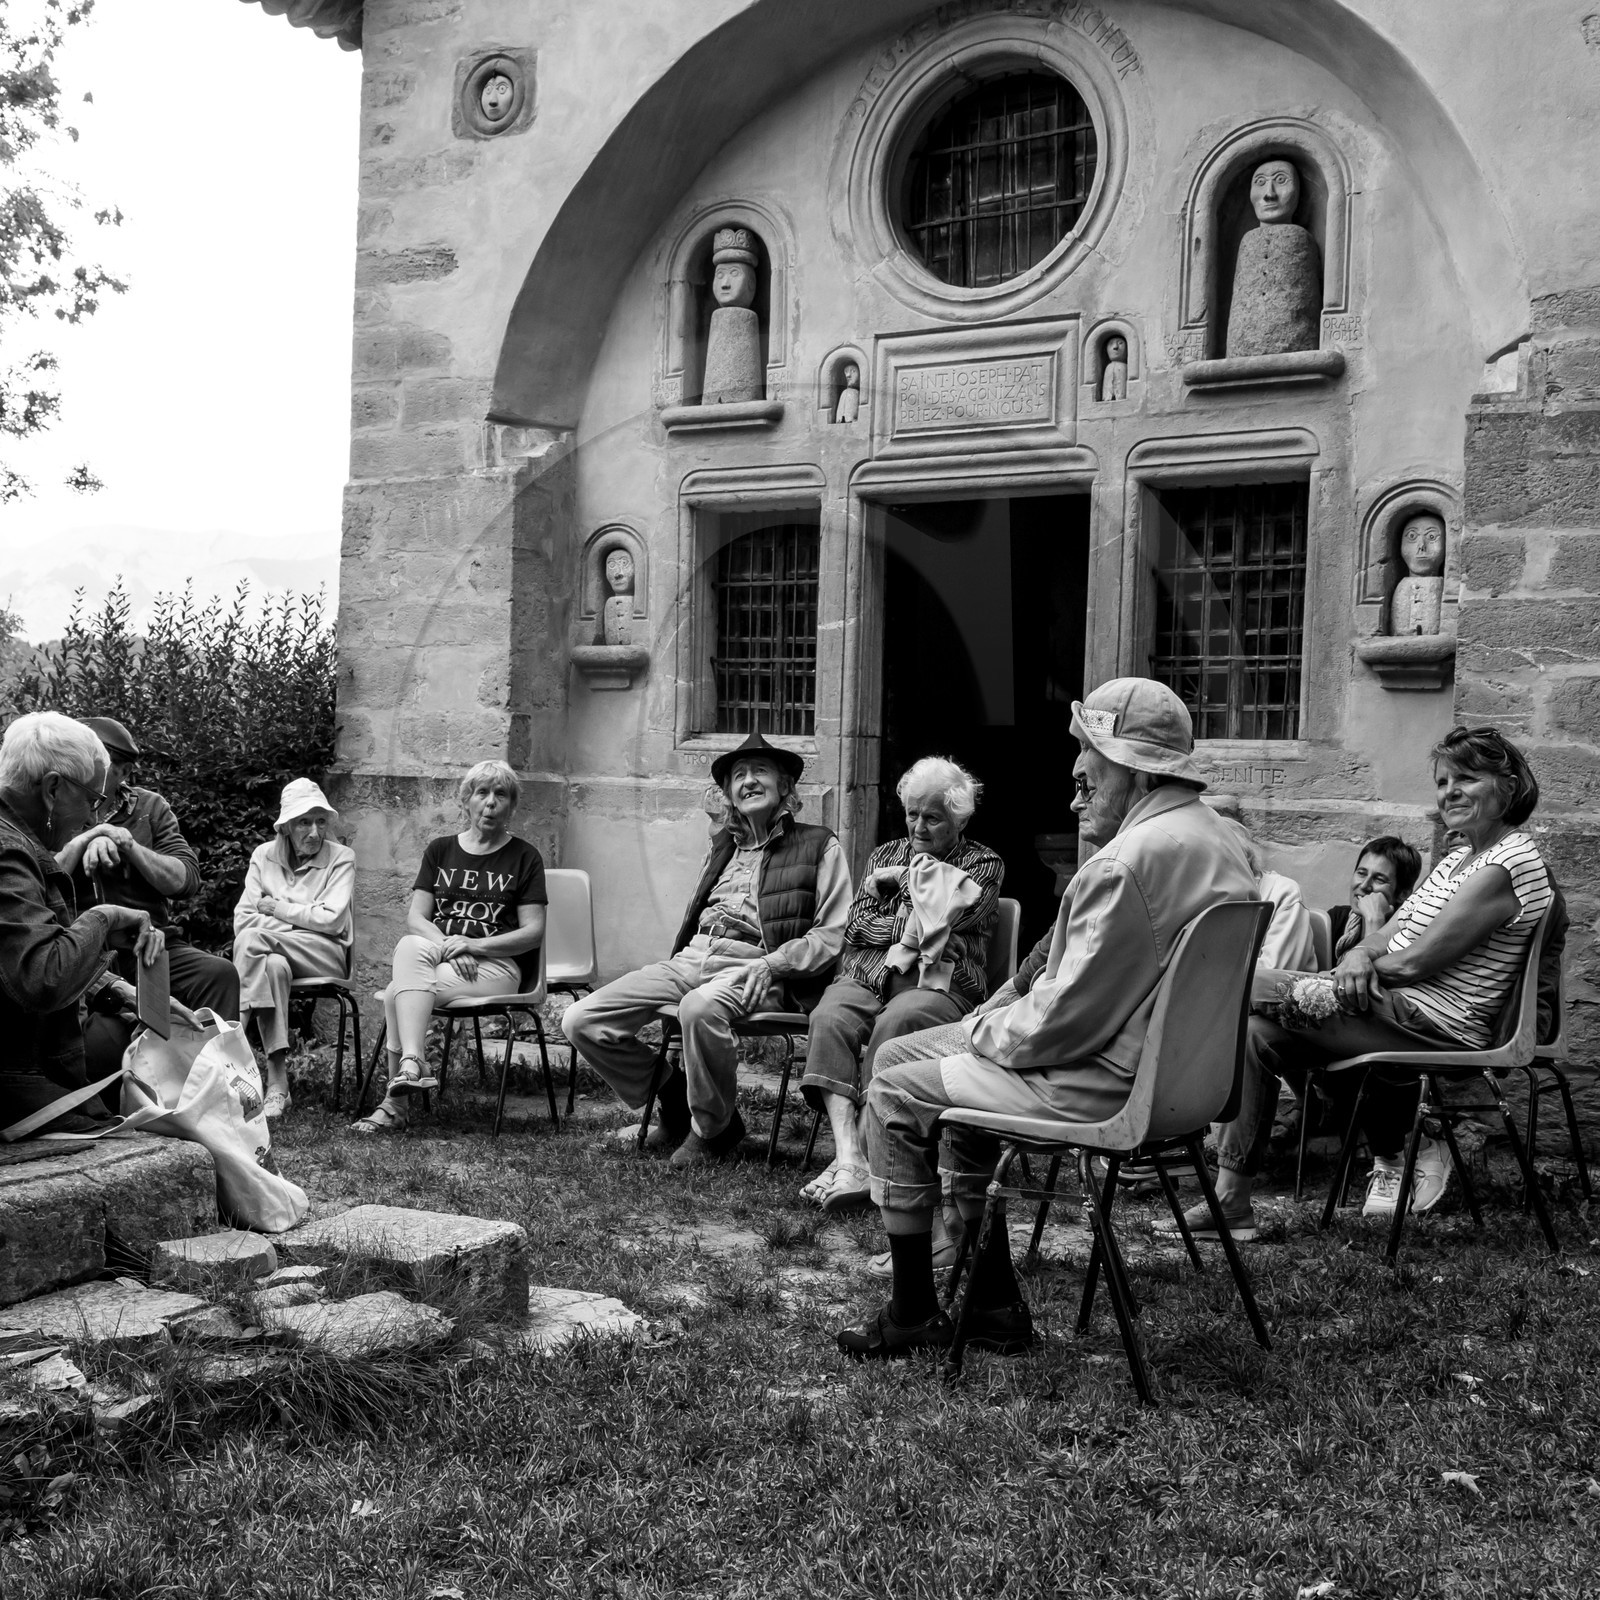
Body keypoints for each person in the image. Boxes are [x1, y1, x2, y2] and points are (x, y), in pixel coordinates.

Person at [835, 678, 1257, 1360]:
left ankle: (913, 1311)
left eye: (1087, 753)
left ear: (1133, 764)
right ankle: (992, 1304)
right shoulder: (1225, 840)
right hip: (1182, 1082)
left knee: (893, 1082)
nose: (1074, 774)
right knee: (912, 1062)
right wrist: (995, 1018)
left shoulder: (1126, 862)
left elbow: (1057, 1023)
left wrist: (980, 1029)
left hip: (1099, 1080)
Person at [1190, 725, 1552, 1237]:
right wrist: (1359, 955)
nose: (1449, 791)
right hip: (1392, 1005)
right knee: (1253, 1036)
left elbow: (1413, 962)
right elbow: (1390, 936)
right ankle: (1231, 1201)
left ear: (1509, 788)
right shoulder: (1455, 860)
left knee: (1241, 984)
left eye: (1467, 778)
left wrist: (1351, 970)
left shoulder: (1508, 861)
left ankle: (1157, 1110)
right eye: (1443, 780)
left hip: (1436, 1021)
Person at [563, 730, 851, 1167]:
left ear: (786, 787)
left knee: (699, 1008)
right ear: (729, 794)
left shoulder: (819, 844)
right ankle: (676, 1103)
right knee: (582, 1018)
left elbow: (833, 932)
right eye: (739, 776)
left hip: (758, 965)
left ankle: (713, 1129)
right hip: (693, 958)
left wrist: (773, 965)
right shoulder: (721, 847)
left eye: (760, 772)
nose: (748, 781)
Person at [798, 757, 1003, 1212]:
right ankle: (849, 1156)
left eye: (932, 817)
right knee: (829, 1016)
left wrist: (890, 887)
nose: (919, 826)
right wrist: (915, 913)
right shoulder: (882, 853)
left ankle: (873, 1164)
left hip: (939, 986)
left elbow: (954, 912)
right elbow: (855, 927)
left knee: (900, 1022)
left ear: (959, 817)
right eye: (912, 814)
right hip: (869, 974)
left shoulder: (984, 862)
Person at [0, 713, 191, 1132]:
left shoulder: (19, 841)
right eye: (90, 799)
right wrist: (104, 919)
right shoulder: (9, 852)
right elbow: (42, 977)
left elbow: (20, 948)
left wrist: (118, 989)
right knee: (139, 1135)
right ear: (53, 789)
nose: (91, 819)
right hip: (14, 1077)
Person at [352, 760, 546, 1136]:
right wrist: (452, 947)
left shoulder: (525, 857)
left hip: (496, 968)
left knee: (397, 992)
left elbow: (533, 933)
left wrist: (475, 946)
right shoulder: (440, 850)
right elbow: (417, 919)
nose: (490, 803)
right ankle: (412, 1065)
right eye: (482, 793)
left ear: (512, 806)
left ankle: (396, 1104)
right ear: (466, 801)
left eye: (501, 795)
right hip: (443, 957)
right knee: (410, 945)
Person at [54, 717, 240, 1022]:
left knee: (218, 974)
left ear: (124, 772)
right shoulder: (58, 804)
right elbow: (41, 876)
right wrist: (92, 836)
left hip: (148, 944)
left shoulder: (150, 807)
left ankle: (208, 1068)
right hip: (82, 949)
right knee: (106, 1034)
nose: (88, 769)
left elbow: (186, 880)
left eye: (100, 762)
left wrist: (129, 846)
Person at [232, 779, 357, 1117]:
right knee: (270, 965)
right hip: (277, 952)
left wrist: (277, 909)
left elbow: (331, 921)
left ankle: (230, 1045)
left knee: (254, 941)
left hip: (325, 954)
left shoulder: (342, 858)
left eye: (321, 821)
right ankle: (277, 1084)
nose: (315, 831)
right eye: (304, 821)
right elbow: (243, 920)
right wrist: (303, 918)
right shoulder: (263, 856)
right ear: (285, 826)